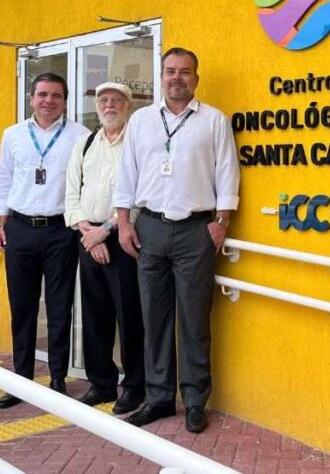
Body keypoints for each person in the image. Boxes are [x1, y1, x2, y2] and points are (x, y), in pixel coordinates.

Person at [114, 47, 239, 433]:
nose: (177, 78)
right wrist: (123, 222)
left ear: (196, 78)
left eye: (185, 72)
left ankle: (196, 400)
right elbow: (127, 173)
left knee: (194, 319)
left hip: (195, 230)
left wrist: (221, 222)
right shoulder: (141, 121)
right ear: (161, 76)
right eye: (170, 71)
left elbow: (227, 172)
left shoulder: (213, 121)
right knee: (154, 318)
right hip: (149, 228)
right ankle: (159, 397)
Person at [0, 72, 89, 408]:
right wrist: (2, 221)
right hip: (20, 228)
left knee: (60, 306)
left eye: (56, 95)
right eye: (42, 94)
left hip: (61, 230)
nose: (49, 101)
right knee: (22, 307)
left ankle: (58, 379)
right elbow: (4, 178)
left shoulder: (80, 135)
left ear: (65, 100)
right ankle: (21, 380)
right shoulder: (13, 135)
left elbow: (84, 182)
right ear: (31, 98)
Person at [64, 82, 144, 414]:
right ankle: (101, 383)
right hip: (87, 235)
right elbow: (71, 194)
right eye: (104, 100)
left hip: (123, 235)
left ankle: (135, 386)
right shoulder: (85, 144)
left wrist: (105, 231)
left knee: (130, 315)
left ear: (128, 106)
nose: (109, 106)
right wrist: (87, 231)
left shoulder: (137, 143)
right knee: (94, 314)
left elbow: (140, 194)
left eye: (116, 101)